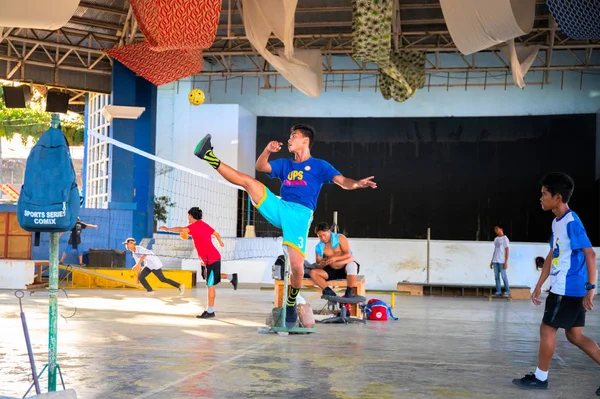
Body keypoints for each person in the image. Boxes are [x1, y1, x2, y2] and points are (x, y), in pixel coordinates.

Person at [193, 124, 376, 328]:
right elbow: (261, 167)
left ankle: (290, 303)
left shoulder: (320, 166)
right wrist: (267, 151)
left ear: (305, 141)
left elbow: (343, 181)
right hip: (279, 206)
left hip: (299, 215)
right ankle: (207, 155)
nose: (289, 139)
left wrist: (358, 184)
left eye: (294, 136)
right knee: (249, 182)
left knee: (297, 267)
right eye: (290, 136)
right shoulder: (285, 164)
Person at [512, 173, 599, 394]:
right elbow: (552, 254)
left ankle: (540, 378)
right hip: (567, 287)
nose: (540, 198)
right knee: (574, 335)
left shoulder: (572, 222)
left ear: (558, 197)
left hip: (567, 288)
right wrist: (540, 282)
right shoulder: (557, 222)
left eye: (544, 194)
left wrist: (591, 288)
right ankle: (540, 376)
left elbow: (590, 254)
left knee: (547, 328)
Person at [159, 207, 238, 319]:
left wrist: (167, 229)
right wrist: (220, 242)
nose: (188, 218)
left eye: (188, 216)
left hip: (211, 259)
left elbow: (181, 229)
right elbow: (216, 234)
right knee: (208, 277)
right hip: (206, 259)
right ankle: (231, 277)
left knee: (210, 285)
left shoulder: (193, 227)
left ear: (191, 216)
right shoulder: (204, 225)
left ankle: (210, 311)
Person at [310, 222, 359, 298]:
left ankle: (349, 292)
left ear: (329, 232)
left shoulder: (340, 238)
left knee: (352, 266)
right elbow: (318, 263)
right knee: (313, 273)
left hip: (345, 268)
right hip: (332, 271)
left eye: (324, 235)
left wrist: (335, 258)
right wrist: (321, 264)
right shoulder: (319, 247)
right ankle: (329, 292)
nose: (323, 238)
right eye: (320, 236)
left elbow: (348, 254)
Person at [489, 224, 510, 297]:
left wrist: (506, 262)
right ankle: (498, 291)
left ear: (501, 229)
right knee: (496, 276)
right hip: (495, 260)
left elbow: (507, 250)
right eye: (495, 229)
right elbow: (495, 250)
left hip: (502, 261)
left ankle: (507, 291)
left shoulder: (505, 239)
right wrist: (492, 261)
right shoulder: (496, 239)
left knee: (504, 276)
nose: (496, 231)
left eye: (497, 229)